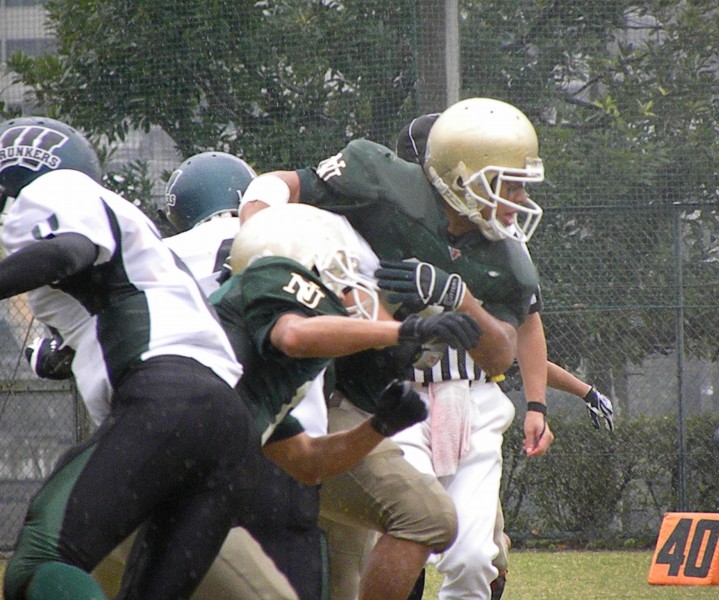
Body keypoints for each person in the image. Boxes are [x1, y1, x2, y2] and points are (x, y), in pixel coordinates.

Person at [240, 97, 553, 600]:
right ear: (460, 178)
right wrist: (255, 230)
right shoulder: (382, 181)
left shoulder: (507, 257)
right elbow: (287, 184)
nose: (518, 200)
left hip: (461, 396)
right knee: (410, 522)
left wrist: (459, 296)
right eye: (507, 184)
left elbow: (500, 355)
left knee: (471, 554)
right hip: (375, 393)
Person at [0, 116, 265, 600]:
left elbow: (68, 252)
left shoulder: (54, 188)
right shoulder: (136, 235)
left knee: (40, 561)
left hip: (164, 402)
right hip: (228, 426)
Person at [396, 111, 614, 600]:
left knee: (478, 556)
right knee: (401, 536)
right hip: (398, 395)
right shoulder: (383, 227)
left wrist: (537, 404)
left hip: (471, 397)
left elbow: (525, 328)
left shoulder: (502, 239)